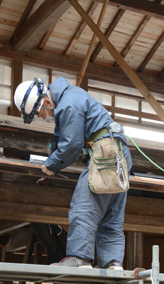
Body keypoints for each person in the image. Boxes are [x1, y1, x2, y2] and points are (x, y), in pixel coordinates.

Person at [14, 77, 131, 269]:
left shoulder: (68, 104)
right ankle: (113, 262)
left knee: (83, 208)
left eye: (41, 113)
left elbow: (71, 144)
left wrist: (51, 164)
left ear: (47, 102)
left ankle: (79, 258)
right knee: (111, 215)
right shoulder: (72, 97)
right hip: (116, 154)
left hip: (104, 154)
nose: (43, 117)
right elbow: (65, 139)